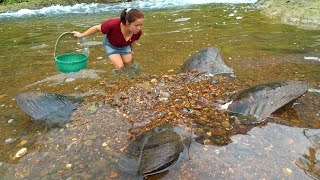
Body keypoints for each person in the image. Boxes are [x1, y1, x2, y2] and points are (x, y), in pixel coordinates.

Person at [73, 8, 144, 72]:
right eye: (136, 25)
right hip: (111, 46)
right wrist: (81, 35)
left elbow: (132, 40)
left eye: (140, 25)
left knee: (129, 65)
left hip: (124, 46)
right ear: (127, 22)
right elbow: (96, 28)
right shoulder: (111, 25)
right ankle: (119, 82)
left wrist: (132, 50)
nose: (139, 28)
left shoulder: (137, 32)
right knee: (120, 67)